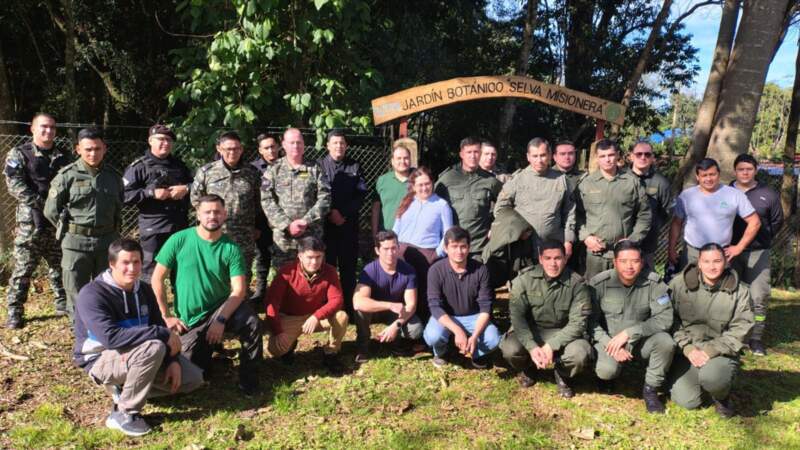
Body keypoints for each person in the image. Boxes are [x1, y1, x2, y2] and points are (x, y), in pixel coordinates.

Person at [73, 238, 203, 436]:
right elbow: (111, 338)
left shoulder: (144, 290)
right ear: (112, 264)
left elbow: (158, 325)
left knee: (193, 379)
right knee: (154, 347)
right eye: (125, 263)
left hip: (139, 353)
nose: (132, 268)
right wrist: (162, 333)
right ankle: (124, 412)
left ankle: (127, 388)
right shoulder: (92, 294)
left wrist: (172, 360)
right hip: (101, 358)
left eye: (136, 262)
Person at [151, 195, 262, 394]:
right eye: (207, 212)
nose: (212, 216)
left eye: (217, 212)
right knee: (190, 375)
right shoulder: (179, 239)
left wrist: (221, 319)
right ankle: (208, 356)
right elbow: (157, 279)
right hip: (190, 320)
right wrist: (166, 315)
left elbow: (239, 290)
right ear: (198, 215)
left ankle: (249, 382)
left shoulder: (231, 248)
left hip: (221, 309)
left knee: (251, 321)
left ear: (225, 215)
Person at [44, 127, 123, 319]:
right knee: (76, 290)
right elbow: (51, 211)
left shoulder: (113, 177)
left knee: (106, 287)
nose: (93, 153)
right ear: (78, 149)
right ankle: (79, 327)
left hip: (106, 242)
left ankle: (103, 326)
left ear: (105, 148)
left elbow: (119, 207)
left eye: (97, 149)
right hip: (75, 244)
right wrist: (70, 231)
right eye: (88, 149)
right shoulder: (67, 176)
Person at [669, 243, 754, 417]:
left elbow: (741, 329)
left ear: (725, 262)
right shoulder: (678, 284)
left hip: (721, 351)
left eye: (717, 261)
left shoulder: (741, 291)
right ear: (699, 263)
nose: (712, 266)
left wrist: (709, 351)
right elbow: (670, 320)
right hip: (687, 350)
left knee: (713, 378)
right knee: (687, 401)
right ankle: (704, 382)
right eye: (706, 261)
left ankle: (721, 395)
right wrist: (688, 348)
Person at [589, 240, 675, 414]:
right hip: (610, 341)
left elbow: (665, 318)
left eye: (635, 261)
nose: (629, 266)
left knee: (665, 342)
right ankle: (607, 378)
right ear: (615, 262)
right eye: (623, 261)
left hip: (640, 341)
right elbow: (590, 322)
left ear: (642, 262)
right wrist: (609, 343)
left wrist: (630, 332)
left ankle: (651, 389)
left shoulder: (654, 283)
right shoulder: (599, 284)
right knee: (607, 371)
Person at [499, 240, 593, 398]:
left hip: (564, 333)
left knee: (579, 354)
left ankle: (562, 374)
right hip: (532, 331)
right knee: (510, 350)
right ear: (540, 259)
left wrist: (551, 346)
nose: (553, 263)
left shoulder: (577, 284)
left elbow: (578, 324)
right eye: (548, 258)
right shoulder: (524, 280)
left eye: (558, 258)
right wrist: (531, 347)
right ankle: (529, 368)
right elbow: (517, 318)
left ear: (565, 258)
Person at [4, 113, 70, 328]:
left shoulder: (64, 156)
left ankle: (62, 303)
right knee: (23, 269)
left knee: (60, 265)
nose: (48, 131)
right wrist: (44, 204)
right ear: (32, 128)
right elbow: (14, 184)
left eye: (52, 127)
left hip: (57, 222)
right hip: (30, 224)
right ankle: (14, 311)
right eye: (43, 127)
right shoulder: (19, 153)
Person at [265, 236, 349, 374]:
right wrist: (278, 331)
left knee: (341, 317)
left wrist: (316, 316)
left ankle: (331, 353)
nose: (314, 262)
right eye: (310, 257)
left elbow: (337, 300)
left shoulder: (330, 271)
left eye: (318, 257)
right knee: (276, 349)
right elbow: (271, 304)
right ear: (300, 256)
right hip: (291, 317)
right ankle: (290, 346)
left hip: (316, 317)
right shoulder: (286, 272)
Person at [190, 131, 262, 285]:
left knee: (242, 274)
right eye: (228, 149)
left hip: (244, 235)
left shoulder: (252, 173)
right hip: (214, 233)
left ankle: (241, 300)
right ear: (219, 149)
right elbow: (196, 199)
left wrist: (256, 227)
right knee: (213, 273)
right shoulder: (207, 172)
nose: (232, 152)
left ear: (241, 149)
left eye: (236, 149)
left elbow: (259, 202)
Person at [123, 124, 193, 282]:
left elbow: (198, 185)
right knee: (150, 275)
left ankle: (180, 299)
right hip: (153, 229)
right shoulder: (139, 167)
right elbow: (123, 196)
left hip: (179, 227)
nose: (165, 143)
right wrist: (150, 193)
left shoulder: (180, 166)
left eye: (169, 140)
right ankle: (149, 299)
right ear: (150, 141)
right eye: (161, 139)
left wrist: (185, 189)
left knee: (182, 272)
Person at [423, 226, 500, 369]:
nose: (459, 251)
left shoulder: (481, 270)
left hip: (474, 316)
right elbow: (435, 306)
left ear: (469, 248)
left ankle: (476, 352)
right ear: (446, 248)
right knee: (433, 336)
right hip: (446, 315)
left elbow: (485, 308)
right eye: (454, 246)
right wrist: (457, 331)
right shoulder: (435, 270)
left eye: (463, 246)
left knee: (493, 339)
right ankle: (442, 352)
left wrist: (475, 336)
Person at [729, 154, 782, 356]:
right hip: (729, 252)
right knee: (730, 294)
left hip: (758, 252)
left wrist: (760, 239)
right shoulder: (725, 191)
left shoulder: (768, 194)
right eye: (741, 169)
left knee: (759, 296)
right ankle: (733, 335)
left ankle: (755, 338)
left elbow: (776, 222)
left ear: (756, 170)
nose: (745, 173)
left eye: (749, 169)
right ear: (735, 171)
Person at [575, 139, 651, 280]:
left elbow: (644, 215)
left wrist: (633, 240)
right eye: (602, 156)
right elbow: (576, 215)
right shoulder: (586, 184)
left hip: (624, 253)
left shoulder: (632, 182)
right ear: (597, 158)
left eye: (610, 155)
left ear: (617, 155)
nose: (607, 160)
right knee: (594, 289)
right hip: (595, 254)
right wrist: (586, 237)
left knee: (623, 290)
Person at [668, 158, 760, 268]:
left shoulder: (734, 195)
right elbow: (676, 223)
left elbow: (755, 222)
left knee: (723, 280)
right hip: (692, 254)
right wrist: (671, 249)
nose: (709, 179)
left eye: (712, 174)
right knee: (689, 279)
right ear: (697, 177)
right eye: (704, 175)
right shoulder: (686, 196)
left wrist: (739, 247)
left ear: (718, 174)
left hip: (721, 254)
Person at [261, 127, 331, 270]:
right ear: (284, 145)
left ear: (304, 144)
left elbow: (325, 198)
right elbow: (266, 200)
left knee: (312, 274)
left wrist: (306, 221)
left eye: (299, 142)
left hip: (311, 234)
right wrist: (287, 225)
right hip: (284, 237)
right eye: (291, 142)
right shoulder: (273, 169)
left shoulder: (315, 168)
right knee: (284, 275)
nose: (296, 146)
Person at [494, 137, 576, 257]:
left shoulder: (561, 180)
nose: (539, 160)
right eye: (535, 156)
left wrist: (568, 241)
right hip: (523, 245)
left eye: (543, 155)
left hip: (553, 245)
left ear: (549, 155)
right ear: (528, 157)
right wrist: (516, 230)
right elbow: (500, 208)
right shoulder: (517, 179)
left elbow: (570, 212)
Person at [353, 230, 423, 363]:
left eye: (394, 248)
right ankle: (363, 346)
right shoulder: (369, 270)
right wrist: (389, 305)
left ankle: (397, 343)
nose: (390, 253)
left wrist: (396, 325)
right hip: (375, 311)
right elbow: (358, 302)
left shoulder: (408, 271)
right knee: (361, 310)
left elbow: (411, 305)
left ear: (398, 248)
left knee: (416, 330)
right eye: (385, 249)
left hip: (396, 313)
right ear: (377, 250)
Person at [393, 167, 454, 320]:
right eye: (420, 185)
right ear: (413, 186)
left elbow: (448, 233)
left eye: (427, 184)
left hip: (426, 254)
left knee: (422, 292)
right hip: (402, 251)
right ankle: (401, 320)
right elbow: (396, 227)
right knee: (402, 289)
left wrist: (437, 254)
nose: (424, 188)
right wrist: (393, 247)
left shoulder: (441, 205)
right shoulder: (407, 201)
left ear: (432, 183)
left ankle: (422, 326)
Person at [318, 129, 368, 313]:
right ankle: (328, 308)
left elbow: (361, 194)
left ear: (346, 146)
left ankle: (349, 308)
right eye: (335, 142)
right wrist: (331, 212)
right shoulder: (318, 166)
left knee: (348, 269)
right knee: (326, 268)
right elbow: (315, 193)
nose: (338, 146)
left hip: (348, 226)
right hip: (326, 227)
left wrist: (343, 213)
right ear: (328, 145)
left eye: (342, 143)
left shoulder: (355, 166)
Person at [435, 136, 502, 259]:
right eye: (469, 152)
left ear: (480, 153)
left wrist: (496, 226)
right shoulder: (447, 179)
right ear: (461, 154)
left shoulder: (490, 181)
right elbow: (432, 205)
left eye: (476, 152)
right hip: (453, 245)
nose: (473, 156)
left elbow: (507, 205)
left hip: (479, 247)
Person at [627, 141, 671, 268]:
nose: (643, 157)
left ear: (652, 158)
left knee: (647, 277)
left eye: (647, 154)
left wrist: (652, 227)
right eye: (639, 154)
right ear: (631, 156)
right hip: (623, 240)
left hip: (647, 244)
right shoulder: (621, 178)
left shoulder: (661, 182)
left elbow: (665, 212)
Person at [250, 133, 282, 301]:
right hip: (261, 222)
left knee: (282, 259)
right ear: (260, 150)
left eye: (273, 146)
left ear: (279, 146)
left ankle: (279, 293)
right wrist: (254, 225)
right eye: (266, 148)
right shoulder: (253, 170)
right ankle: (260, 292)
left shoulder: (287, 165)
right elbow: (250, 199)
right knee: (262, 257)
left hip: (282, 222)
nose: (271, 151)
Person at [371, 143, 413, 237]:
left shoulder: (419, 180)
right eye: (399, 158)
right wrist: (374, 234)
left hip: (411, 235)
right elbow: (375, 209)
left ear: (410, 160)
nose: (402, 161)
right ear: (392, 161)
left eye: (406, 158)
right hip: (386, 235)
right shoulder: (382, 181)